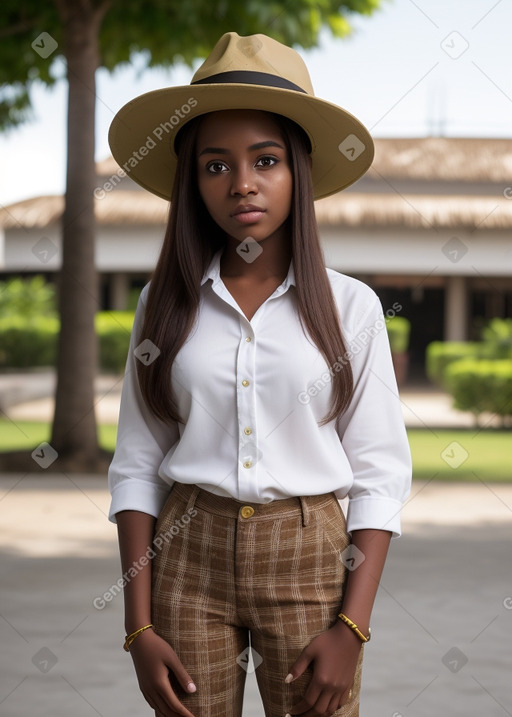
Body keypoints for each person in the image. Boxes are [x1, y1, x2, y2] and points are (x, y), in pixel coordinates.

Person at [107, 31, 412, 717]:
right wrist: (139, 625)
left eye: (264, 160)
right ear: (193, 182)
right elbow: (137, 461)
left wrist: (352, 628)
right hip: (188, 552)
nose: (241, 182)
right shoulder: (162, 305)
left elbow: (380, 471)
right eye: (215, 166)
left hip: (310, 558)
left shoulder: (351, 307)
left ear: (296, 170)